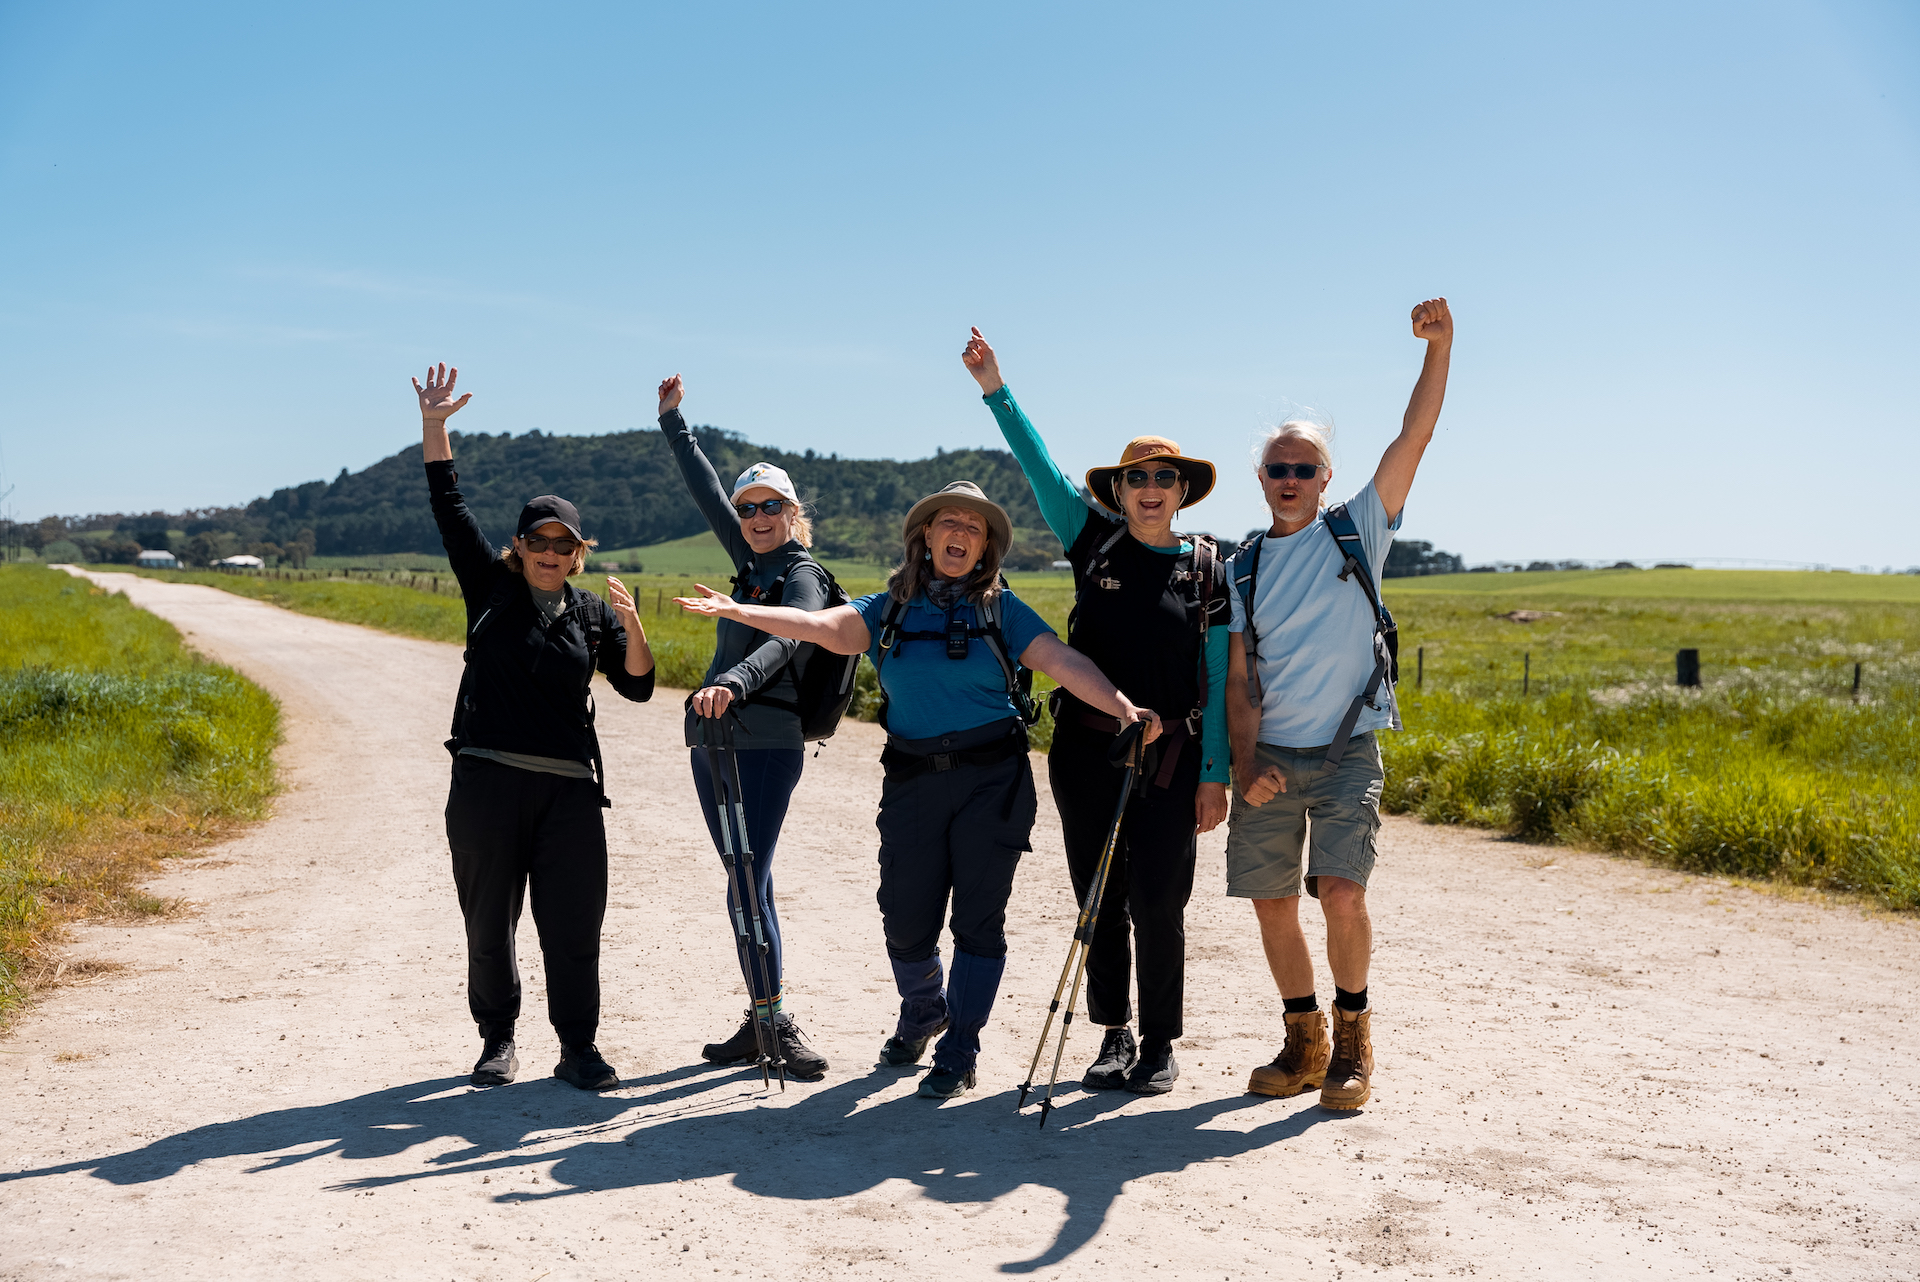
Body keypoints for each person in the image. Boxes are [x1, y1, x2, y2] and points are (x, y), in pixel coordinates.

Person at [676, 481, 1162, 1099]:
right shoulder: (889, 609)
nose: (959, 533)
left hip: (993, 780)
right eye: (947, 522)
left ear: (985, 545)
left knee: (978, 925)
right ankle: (924, 1009)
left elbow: (1061, 661)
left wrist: (1123, 708)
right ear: (925, 536)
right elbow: (818, 625)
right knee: (905, 922)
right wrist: (741, 610)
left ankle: (960, 1047)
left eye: (974, 526)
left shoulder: (1000, 609)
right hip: (911, 780)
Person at [961, 329, 1229, 1096]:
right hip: (1087, 754)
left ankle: (1159, 1042)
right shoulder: (1092, 542)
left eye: (1165, 477)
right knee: (1100, 894)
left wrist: (1215, 777)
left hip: (1173, 762)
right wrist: (996, 388)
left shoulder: (1208, 568)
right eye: (1137, 476)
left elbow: (1215, 678)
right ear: (1119, 490)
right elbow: (1038, 468)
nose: (1151, 487)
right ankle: (1112, 1036)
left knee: (1160, 901)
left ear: (1183, 490)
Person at [1226, 298, 1454, 1109]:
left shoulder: (1358, 529)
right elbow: (1240, 678)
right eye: (1277, 469)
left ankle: (1354, 1034)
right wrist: (1244, 765)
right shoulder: (1241, 569)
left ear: (1326, 479)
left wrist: (1440, 348)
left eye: (1304, 469)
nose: (1290, 480)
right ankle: (1303, 1040)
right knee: (1272, 903)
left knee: (1343, 893)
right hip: (1272, 762)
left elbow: (1414, 436)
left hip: (1349, 748)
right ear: (1262, 481)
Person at [413, 362, 657, 1092]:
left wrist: (631, 622)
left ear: (577, 553)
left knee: (574, 930)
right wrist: (435, 426)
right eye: (538, 543)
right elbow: (448, 505)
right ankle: (497, 1039)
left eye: (564, 546)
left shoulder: (587, 613)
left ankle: (578, 1049)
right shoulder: (488, 587)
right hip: (487, 781)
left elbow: (638, 687)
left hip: (570, 796)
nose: (550, 554)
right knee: (490, 925)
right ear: (518, 548)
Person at [656, 373, 830, 1079]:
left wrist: (733, 679)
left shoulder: (801, 575)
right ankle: (760, 1016)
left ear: (792, 512)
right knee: (740, 877)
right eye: (748, 507)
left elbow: (788, 640)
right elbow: (704, 490)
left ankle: (774, 1020)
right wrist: (674, 423)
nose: (756, 516)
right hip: (715, 744)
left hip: (763, 744)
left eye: (770, 506)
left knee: (749, 876)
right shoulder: (748, 564)